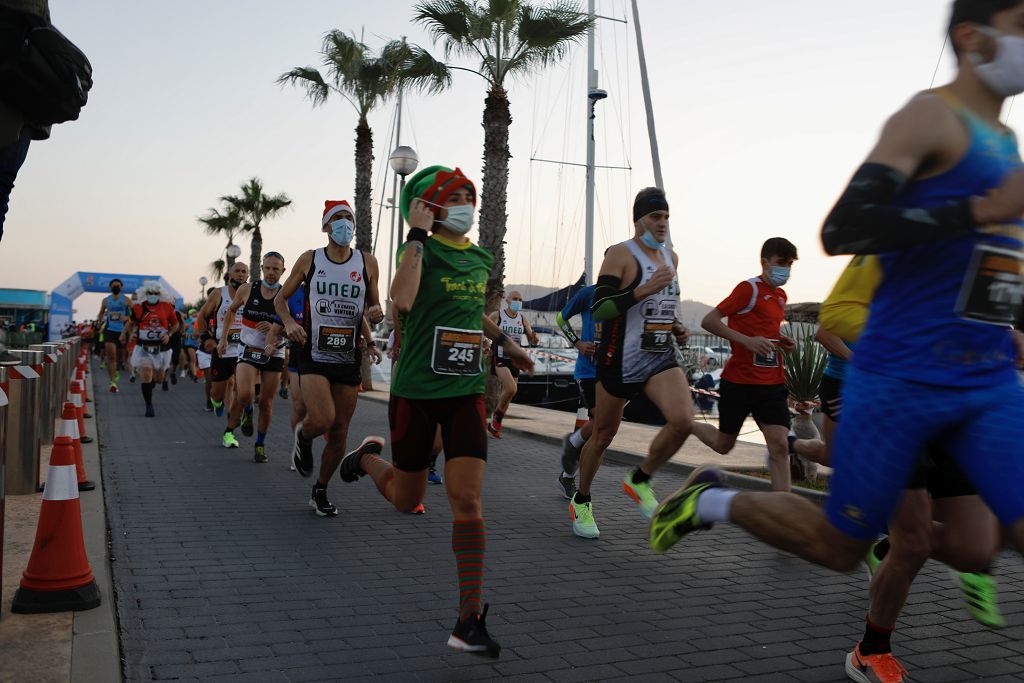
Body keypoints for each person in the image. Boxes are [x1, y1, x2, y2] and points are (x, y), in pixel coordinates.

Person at [648, 7, 1024, 683]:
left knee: (987, 540)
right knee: (840, 545)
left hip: (985, 381)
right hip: (899, 381)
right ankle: (711, 499)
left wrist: (1007, 319)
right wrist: (984, 209)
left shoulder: (1006, 142)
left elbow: (980, 268)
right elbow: (846, 225)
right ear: (973, 36)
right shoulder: (929, 118)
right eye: (1022, 20)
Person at [339, 165, 533, 656]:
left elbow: (473, 316)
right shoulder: (418, 248)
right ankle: (364, 458)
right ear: (432, 205)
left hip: (465, 392)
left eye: (472, 195)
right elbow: (402, 299)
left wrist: (509, 341)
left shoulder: (481, 257)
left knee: (467, 499)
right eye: (458, 197)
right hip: (417, 393)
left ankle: (468, 620)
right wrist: (416, 237)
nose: (468, 205)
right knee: (407, 498)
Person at [570, 187, 691, 539]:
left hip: (657, 354)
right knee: (604, 434)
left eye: (666, 216)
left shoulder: (673, 258)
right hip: (618, 356)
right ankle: (582, 499)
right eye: (655, 216)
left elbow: (663, 307)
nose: (662, 223)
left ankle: (640, 479)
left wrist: (678, 327)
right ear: (638, 220)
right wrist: (644, 288)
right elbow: (602, 308)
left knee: (682, 421)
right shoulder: (621, 255)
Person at [276, 200, 383, 515]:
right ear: (325, 226)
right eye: (337, 218)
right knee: (322, 418)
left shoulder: (368, 263)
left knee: (339, 433)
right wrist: (290, 323)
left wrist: (376, 316)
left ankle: (319, 490)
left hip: (348, 356)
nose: (344, 224)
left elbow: (373, 310)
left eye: (348, 218)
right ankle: (304, 434)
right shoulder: (310, 259)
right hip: (313, 351)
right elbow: (281, 301)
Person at [686, 238, 799, 491]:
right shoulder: (749, 289)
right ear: (765, 262)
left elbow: (765, 332)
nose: (786, 269)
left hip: (771, 384)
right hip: (739, 382)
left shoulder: (781, 296)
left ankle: (783, 508)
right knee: (724, 446)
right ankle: (688, 424)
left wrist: (782, 342)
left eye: (790, 264)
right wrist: (746, 341)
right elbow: (709, 321)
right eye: (782, 262)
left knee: (780, 446)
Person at [222, 252, 288, 463]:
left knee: (267, 402)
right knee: (244, 395)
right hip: (248, 349)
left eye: (275, 269)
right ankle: (247, 411)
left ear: (283, 271)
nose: (271, 273)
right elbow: (231, 312)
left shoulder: (287, 295)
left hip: (273, 351)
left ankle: (259, 444)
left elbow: (295, 327)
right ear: (261, 268)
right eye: (267, 268)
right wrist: (224, 338)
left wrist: (276, 328)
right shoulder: (247, 289)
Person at [555, 283, 599, 500]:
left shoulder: (627, 295)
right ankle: (577, 487)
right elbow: (561, 319)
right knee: (601, 423)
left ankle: (570, 463)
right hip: (588, 371)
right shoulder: (588, 293)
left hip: (615, 373)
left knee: (603, 427)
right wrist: (578, 343)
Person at [197, 263, 249, 437]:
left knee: (242, 391)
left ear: (248, 276)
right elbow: (201, 316)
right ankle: (216, 402)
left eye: (244, 272)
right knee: (218, 393)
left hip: (244, 350)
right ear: (229, 274)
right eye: (237, 271)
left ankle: (231, 427)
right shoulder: (219, 293)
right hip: (222, 349)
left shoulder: (251, 293)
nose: (240, 275)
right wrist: (206, 338)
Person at [120, 283, 178, 417]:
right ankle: (149, 405)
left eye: (155, 293)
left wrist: (168, 335)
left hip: (162, 348)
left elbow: (175, 325)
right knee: (145, 372)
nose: (152, 296)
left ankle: (153, 380)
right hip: (144, 346)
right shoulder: (139, 307)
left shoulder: (167, 306)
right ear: (145, 294)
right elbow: (130, 322)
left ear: (160, 294)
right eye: (150, 293)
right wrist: (123, 334)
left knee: (159, 379)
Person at [486, 290, 538, 438]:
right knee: (511, 388)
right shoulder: (498, 315)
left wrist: (535, 338)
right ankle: (495, 418)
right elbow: (485, 329)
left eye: (520, 299)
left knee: (509, 394)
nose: (517, 302)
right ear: (507, 300)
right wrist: (486, 343)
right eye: (515, 298)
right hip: (500, 357)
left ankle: (495, 425)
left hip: (515, 360)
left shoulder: (522, 319)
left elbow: (531, 338)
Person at [97, 278, 130, 392]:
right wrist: (99, 321)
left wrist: (125, 318)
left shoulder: (126, 300)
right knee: (111, 357)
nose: (116, 287)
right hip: (109, 330)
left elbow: (134, 316)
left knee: (120, 358)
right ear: (110, 288)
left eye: (118, 286)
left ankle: (117, 370)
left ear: (121, 287)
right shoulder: (106, 300)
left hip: (122, 331)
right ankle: (113, 383)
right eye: (114, 286)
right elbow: (101, 313)